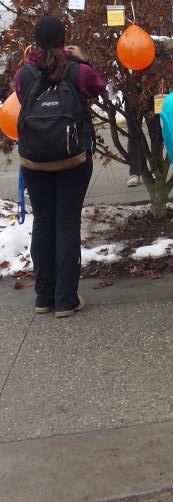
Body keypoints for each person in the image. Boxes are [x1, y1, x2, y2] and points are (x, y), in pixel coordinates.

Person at [15, 16, 105, 317]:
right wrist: (84, 59)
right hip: (73, 157)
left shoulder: (24, 73)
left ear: (35, 41)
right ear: (64, 38)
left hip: (34, 159)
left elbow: (21, 100)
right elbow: (100, 87)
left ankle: (43, 297)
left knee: (43, 223)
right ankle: (66, 300)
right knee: (67, 223)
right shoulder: (78, 70)